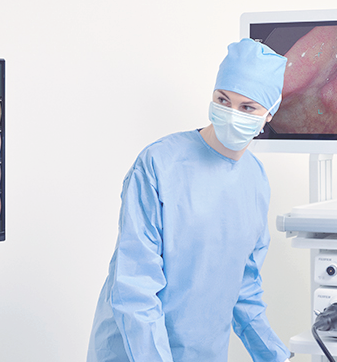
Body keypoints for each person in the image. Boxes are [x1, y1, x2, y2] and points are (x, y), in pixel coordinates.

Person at [87, 38, 292, 362]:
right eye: (223, 100)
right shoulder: (159, 165)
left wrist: (275, 355)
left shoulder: (255, 180)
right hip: (136, 352)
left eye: (247, 107)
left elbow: (243, 286)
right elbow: (135, 288)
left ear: (269, 113)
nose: (231, 114)